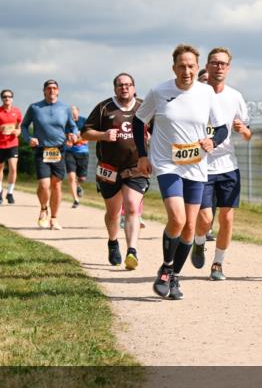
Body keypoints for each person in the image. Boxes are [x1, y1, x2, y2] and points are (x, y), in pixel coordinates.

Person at [134, 44, 228, 300]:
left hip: (196, 166)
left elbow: (222, 129)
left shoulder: (206, 92)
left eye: (190, 66)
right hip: (167, 164)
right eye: (181, 66)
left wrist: (213, 142)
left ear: (198, 68)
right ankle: (166, 267)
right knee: (177, 219)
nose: (186, 71)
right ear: (173, 67)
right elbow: (138, 121)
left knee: (189, 228)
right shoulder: (159, 91)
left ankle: (174, 276)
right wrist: (143, 155)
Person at [190, 48, 252, 280]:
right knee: (205, 219)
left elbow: (247, 133)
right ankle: (198, 241)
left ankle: (218, 263)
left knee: (227, 218)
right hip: (200, 165)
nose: (218, 67)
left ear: (229, 68)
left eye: (223, 64)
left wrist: (243, 130)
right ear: (207, 65)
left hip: (228, 165)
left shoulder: (235, 97)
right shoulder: (195, 94)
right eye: (214, 63)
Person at [82, 73, 148, 270]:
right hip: (109, 168)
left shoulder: (144, 107)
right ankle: (113, 241)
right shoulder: (104, 107)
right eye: (120, 85)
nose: (124, 88)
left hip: (135, 167)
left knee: (131, 207)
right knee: (112, 213)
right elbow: (84, 133)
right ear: (115, 89)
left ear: (134, 87)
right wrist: (103, 134)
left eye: (128, 85)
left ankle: (132, 251)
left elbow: (158, 128)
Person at [21, 80, 77, 229]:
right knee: (44, 185)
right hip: (42, 150)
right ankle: (44, 209)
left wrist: (74, 135)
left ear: (58, 91)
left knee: (56, 185)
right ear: (44, 91)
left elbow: (72, 127)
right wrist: (29, 138)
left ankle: (54, 218)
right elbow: (24, 126)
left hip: (59, 150)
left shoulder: (65, 108)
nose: (51, 91)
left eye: (54, 88)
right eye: (48, 88)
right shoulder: (35, 108)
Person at [0, 89, 23, 204]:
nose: (7, 98)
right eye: (4, 96)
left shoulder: (17, 111)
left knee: (13, 167)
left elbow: (20, 126)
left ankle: (10, 192)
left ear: (12, 98)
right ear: (2, 98)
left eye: (9, 96)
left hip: (12, 143)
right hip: (0, 144)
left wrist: (18, 132)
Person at [65, 105, 90, 208]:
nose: (72, 113)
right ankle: (76, 200)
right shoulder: (65, 123)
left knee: (82, 178)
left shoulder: (84, 121)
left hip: (83, 152)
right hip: (70, 152)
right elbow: (63, 135)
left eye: (73, 111)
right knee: (71, 177)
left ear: (78, 111)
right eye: (70, 112)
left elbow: (88, 134)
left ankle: (78, 185)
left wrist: (79, 138)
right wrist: (66, 142)